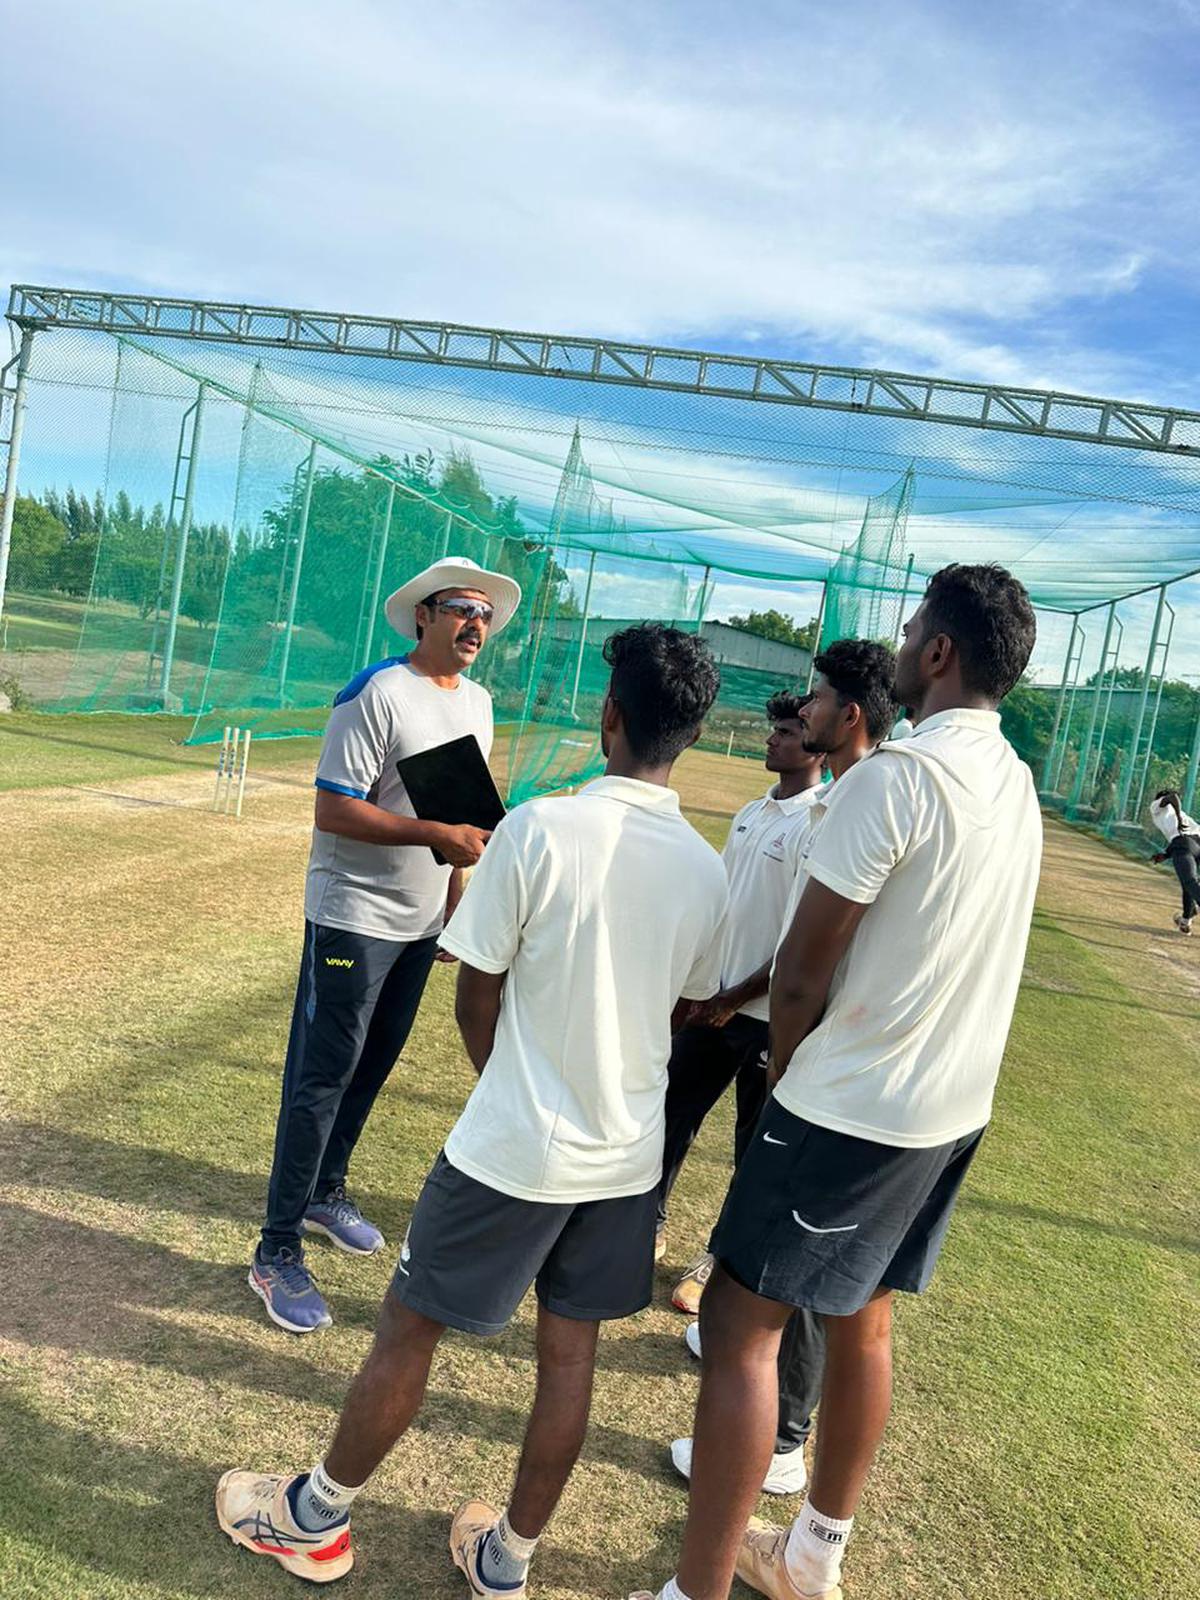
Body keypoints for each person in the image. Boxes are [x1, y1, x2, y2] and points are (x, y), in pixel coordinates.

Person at [216, 623, 730, 1591]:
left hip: (513, 1151)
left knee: (409, 1328)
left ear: (609, 714)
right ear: (694, 733)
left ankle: (312, 1518)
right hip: (627, 1156)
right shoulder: (708, 866)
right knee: (567, 1358)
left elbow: (475, 979)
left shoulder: (542, 826)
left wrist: (507, 1082)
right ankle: (507, 1559)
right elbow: (688, 1000)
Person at [631, 563, 1042, 1600]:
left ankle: (696, 1592)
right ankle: (812, 1555)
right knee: (864, 1317)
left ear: (938, 652)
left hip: (855, 1107)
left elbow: (806, 969)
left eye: (913, 631)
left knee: (736, 1326)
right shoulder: (1014, 778)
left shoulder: (895, 777)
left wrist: (787, 1065)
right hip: (951, 1110)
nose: (902, 646)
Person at [250, 555, 522, 1335]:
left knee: (372, 1067)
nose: (476, 623)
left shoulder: (479, 701)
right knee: (321, 1076)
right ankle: (275, 1249)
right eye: (461, 609)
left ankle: (326, 1194)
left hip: (419, 924)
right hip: (352, 919)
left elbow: (462, 820)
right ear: (423, 618)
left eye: (485, 614)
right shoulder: (376, 692)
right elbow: (333, 810)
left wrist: (454, 910)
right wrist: (431, 833)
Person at [667, 643, 898, 1503]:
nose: (797, 719)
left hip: (806, 1051)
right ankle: (758, 1383)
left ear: (849, 718)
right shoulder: (813, 804)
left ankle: (785, 1441)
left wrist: (784, 1056)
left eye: (815, 704)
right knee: (783, 1236)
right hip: (809, 1051)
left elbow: (810, 960)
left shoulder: (852, 805)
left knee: (803, 1252)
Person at [658, 691, 827, 1277]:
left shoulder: (818, 820)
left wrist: (737, 998)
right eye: (773, 729)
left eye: (785, 731)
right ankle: (642, 1224)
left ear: (814, 743)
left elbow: (804, 941)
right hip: (713, 1004)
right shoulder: (753, 811)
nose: (772, 739)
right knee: (669, 1116)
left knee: (752, 1150)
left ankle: (717, 1257)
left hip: (762, 1016)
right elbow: (723, 907)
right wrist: (701, 986)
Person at [1149, 788, 1200, 935]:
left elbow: (1173, 796)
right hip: (1193, 843)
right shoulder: (1183, 817)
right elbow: (1184, 839)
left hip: (1184, 845)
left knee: (1189, 882)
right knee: (1189, 885)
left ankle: (1190, 914)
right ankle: (1185, 920)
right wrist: (1166, 854)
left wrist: (1177, 817)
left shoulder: (1156, 806)